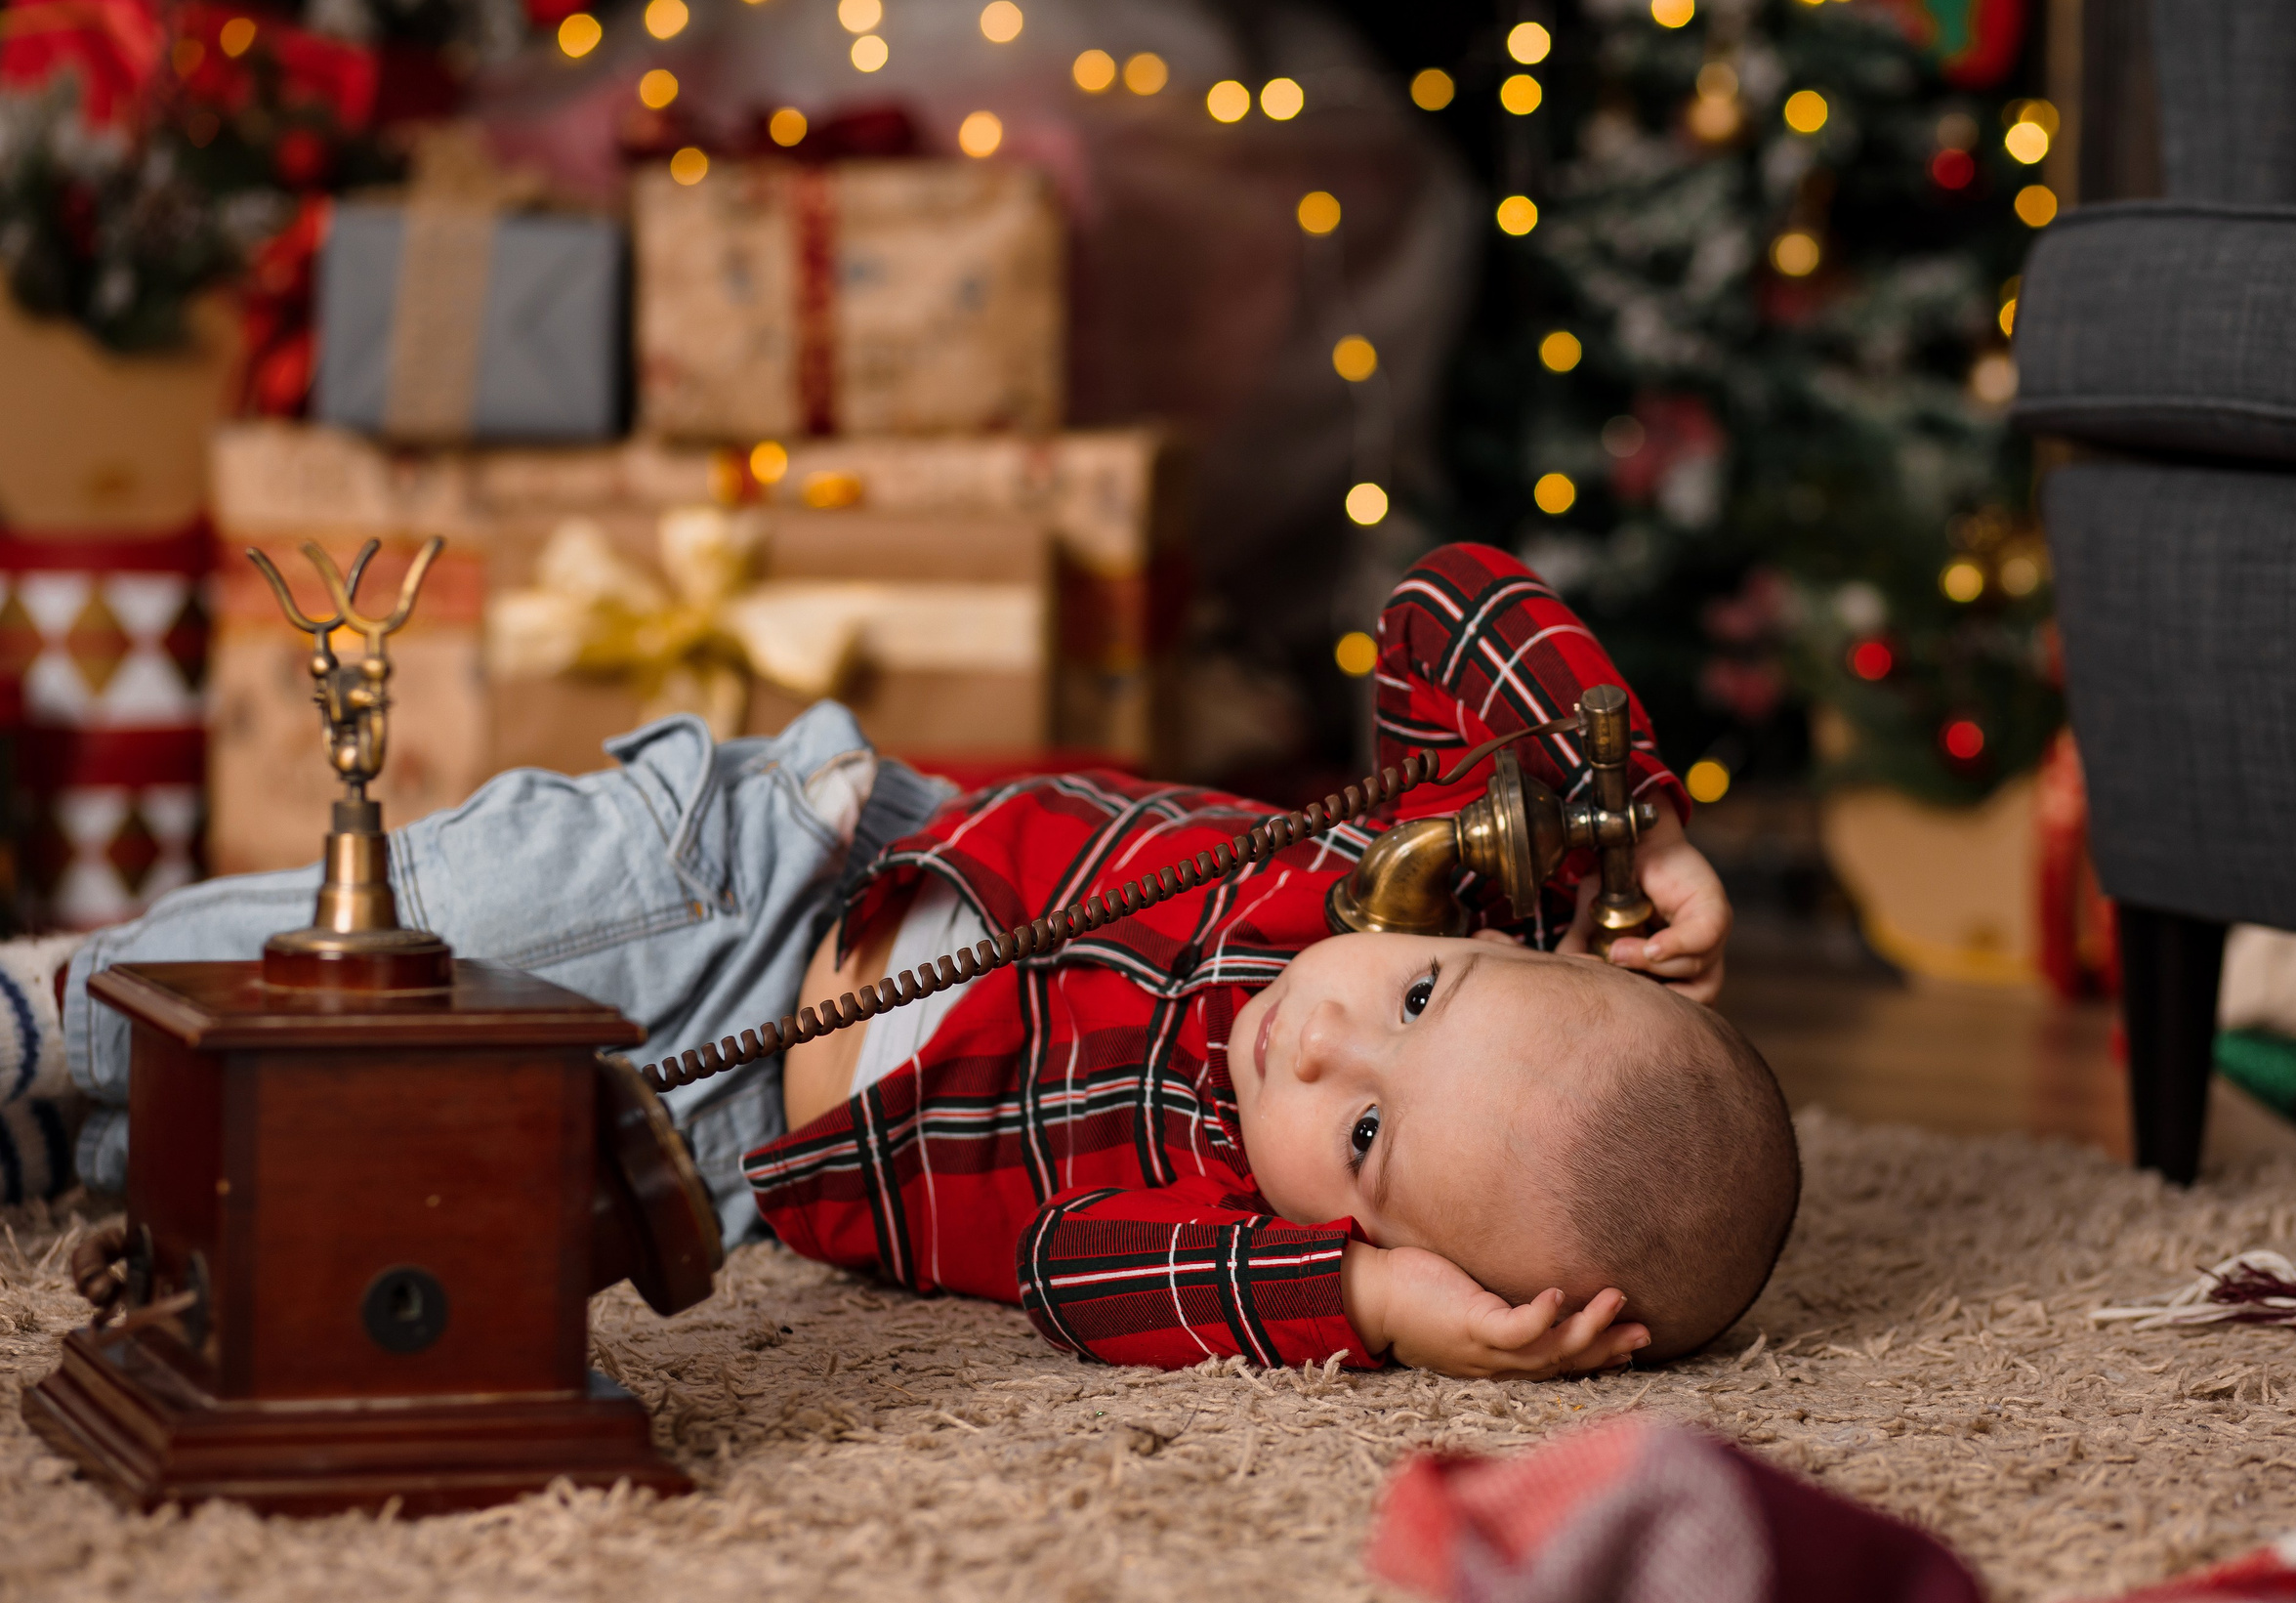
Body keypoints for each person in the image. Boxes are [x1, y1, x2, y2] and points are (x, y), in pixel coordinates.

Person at [2, 546, 1797, 1379]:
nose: (1321, 1045)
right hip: (767, 880)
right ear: (1481, 943)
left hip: (730, 1158)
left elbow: (1072, 1281)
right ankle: (57, 1018)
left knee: (378, 1162)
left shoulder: (1212, 1228)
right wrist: (1619, 812)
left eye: (1368, 1144)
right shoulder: (1394, 876)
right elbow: (1443, 607)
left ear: (1371, 1236)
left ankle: (71, 1140)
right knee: (395, 938)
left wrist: (1365, 1323)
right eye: (1415, 999)